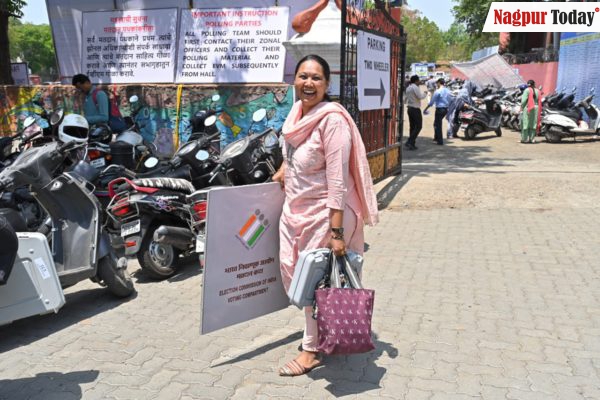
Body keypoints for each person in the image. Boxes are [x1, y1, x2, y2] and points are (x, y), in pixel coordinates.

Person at [272, 54, 379, 377]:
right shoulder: (295, 116)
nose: (308, 83)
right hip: (295, 211)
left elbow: (337, 181)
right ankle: (322, 335)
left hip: (325, 214)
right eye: (303, 76)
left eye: (316, 78)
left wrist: (336, 234)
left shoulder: (331, 121)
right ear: (295, 80)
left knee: (316, 285)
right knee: (298, 279)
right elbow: (292, 152)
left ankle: (312, 350)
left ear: (327, 84)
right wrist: (283, 170)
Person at [423, 78, 451, 145]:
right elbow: (450, 99)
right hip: (445, 109)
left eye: (436, 83)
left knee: (438, 125)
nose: (436, 84)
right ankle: (436, 138)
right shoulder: (448, 90)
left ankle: (440, 141)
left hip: (439, 109)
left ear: (439, 83)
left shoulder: (438, 91)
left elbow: (431, 102)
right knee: (436, 124)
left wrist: (425, 109)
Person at [405, 75, 428, 150]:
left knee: (412, 127)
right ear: (416, 81)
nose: (419, 81)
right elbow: (420, 97)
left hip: (410, 108)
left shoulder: (408, 87)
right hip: (415, 109)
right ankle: (410, 141)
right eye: (418, 80)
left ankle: (411, 143)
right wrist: (425, 93)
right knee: (418, 126)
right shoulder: (415, 87)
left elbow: (405, 99)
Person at [520, 79, 542, 143]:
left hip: (528, 107)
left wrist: (522, 107)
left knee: (526, 123)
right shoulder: (538, 91)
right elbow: (539, 100)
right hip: (536, 108)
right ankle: (532, 139)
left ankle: (525, 139)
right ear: (534, 84)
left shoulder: (527, 90)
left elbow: (524, 101)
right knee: (533, 123)